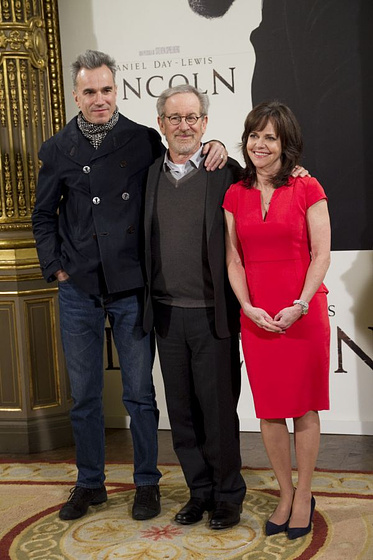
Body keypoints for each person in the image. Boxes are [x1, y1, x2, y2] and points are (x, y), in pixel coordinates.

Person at [31, 49, 227, 522]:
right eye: (90, 91)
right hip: (78, 287)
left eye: (107, 89)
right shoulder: (57, 148)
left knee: (139, 393)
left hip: (130, 286)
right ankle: (90, 483)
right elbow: (43, 215)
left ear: (116, 91)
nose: (100, 99)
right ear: (75, 95)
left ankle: (146, 484)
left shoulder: (141, 139)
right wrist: (56, 267)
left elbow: (184, 160)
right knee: (85, 396)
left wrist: (216, 145)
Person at [224, 101, 330, 540]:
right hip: (257, 315)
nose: (259, 144)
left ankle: (305, 493)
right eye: (253, 135)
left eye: (269, 137)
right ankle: (284, 493)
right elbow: (233, 258)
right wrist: (247, 307)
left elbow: (321, 254)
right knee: (269, 412)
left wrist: (301, 303)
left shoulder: (308, 187)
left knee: (303, 408)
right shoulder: (235, 192)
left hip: (301, 313)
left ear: (286, 143)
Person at [143, 84, 247, 530]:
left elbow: (268, 183)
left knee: (218, 410)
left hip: (212, 314)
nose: (183, 125)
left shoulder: (226, 171)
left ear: (205, 124)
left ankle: (228, 495)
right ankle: (199, 492)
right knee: (181, 413)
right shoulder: (147, 175)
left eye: (192, 118)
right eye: (174, 118)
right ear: (162, 124)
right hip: (166, 314)